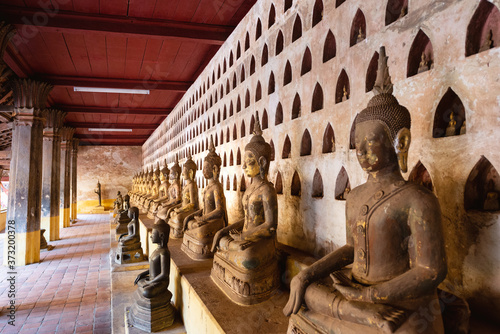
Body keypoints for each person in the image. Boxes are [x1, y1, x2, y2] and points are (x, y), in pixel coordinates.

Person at [283, 47, 447, 334]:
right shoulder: (356, 195)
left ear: (400, 142)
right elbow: (350, 248)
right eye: (357, 141)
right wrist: (308, 273)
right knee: (304, 290)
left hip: (399, 300)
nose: (359, 149)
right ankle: (358, 314)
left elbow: (430, 271)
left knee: (402, 328)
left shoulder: (417, 199)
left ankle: (360, 315)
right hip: (356, 292)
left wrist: (371, 296)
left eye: (369, 141)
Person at [210, 113, 279, 305]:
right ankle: (232, 251)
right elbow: (246, 219)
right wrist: (223, 231)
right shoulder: (249, 190)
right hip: (245, 238)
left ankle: (237, 260)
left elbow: (271, 225)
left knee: (247, 256)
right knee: (224, 242)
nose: (243, 166)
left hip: (262, 241)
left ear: (262, 163)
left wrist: (244, 237)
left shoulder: (266, 190)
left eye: (249, 162)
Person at [182, 138, 227, 259]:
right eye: (203, 167)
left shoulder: (216, 187)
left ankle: (202, 244)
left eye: (206, 167)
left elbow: (219, 210)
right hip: (206, 219)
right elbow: (205, 208)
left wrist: (203, 218)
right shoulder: (207, 187)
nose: (203, 170)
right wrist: (191, 216)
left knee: (200, 231)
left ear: (215, 169)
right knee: (190, 223)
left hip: (215, 221)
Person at [167, 151, 199, 238]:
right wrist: (178, 208)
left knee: (178, 217)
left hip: (192, 210)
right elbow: (184, 201)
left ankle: (178, 232)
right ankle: (175, 232)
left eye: (184, 171)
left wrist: (180, 210)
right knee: (172, 214)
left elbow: (192, 204)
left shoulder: (192, 185)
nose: (182, 174)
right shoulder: (186, 185)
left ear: (191, 173)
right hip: (184, 209)